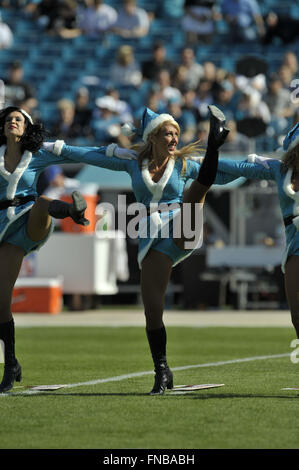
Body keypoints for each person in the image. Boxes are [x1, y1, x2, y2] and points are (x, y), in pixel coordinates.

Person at [78, 105, 231, 394]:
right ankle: (162, 370)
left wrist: (271, 167)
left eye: (176, 133)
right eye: (168, 133)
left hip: (182, 227)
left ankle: (214, 140)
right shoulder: (133, 163)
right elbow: (86, 154)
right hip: (151, 237)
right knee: (152, 310)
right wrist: (53, 148)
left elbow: (233, 170)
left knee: (197, 191)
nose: (174, 138)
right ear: (153, 137)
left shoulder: (185, 164)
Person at [0, 105, 138, 392]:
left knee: (39, 202)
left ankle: (71, 211)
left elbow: (82, 153)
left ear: (27, 128)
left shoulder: (39, 153)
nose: (13, 122)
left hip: (31, 222)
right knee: (2, 301)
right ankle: (11, 362)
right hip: (4, 231)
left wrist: (122, 156)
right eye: (9, 119)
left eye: (19, 119)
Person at [216, 121, 299, 340]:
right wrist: (197, 162)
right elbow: (240, 167)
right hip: (294, 248)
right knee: (297, 317)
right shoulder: (280, 170)